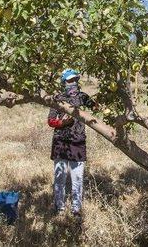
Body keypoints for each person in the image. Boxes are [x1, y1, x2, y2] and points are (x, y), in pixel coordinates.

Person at [47, 69, 96, 219]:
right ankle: (59, 208)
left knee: (77, 178)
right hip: (61, 141)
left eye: (74, 79)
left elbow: (96, 108)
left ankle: (76, 209)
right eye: (69, 80)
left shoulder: (82, 97)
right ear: (64, 82)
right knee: (60, 177)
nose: (72, 83)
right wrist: (63, 122)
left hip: (77, 141)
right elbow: (50, 121)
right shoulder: (58, 99)